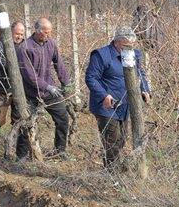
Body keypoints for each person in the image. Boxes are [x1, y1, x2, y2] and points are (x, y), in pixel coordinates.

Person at [85, 26, 151, 169]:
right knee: (112, 139)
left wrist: (145, 90)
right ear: (117, 42)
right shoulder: (101, 55)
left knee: (122, 139)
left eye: (131, 45)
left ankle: (114, 169)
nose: (129, 48)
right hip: (106, 106)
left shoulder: (134, 55)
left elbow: (140, 73)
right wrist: (104, 95)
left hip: (125, 105)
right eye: (126, 45)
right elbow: (91, 78)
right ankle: (111, 173)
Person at [19, 17, 72, 158]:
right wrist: (47, 87)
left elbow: (59, 64)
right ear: (37, 31)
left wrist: (66, 83)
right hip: (30, 93)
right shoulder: (25, 47)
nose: (48, 35)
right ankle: (21, 156)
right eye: (46, 32)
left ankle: (60, 151)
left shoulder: (51, 44)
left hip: (50, 92)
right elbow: (29, 75)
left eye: (50, 32)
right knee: (26, 123)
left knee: (63, 118)